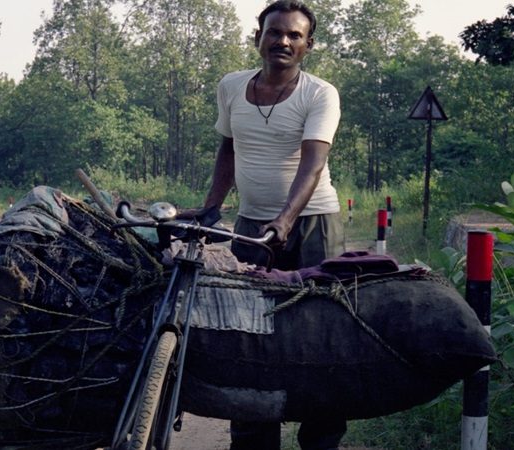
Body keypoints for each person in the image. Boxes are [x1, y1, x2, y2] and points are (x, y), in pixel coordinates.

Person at [200, 1, 346, 449]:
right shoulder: (231, 86)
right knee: (246, 337)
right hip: (250, 226)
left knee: (321, 333)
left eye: (294, 36)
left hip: (313, 225)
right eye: (274, 32)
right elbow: (229, 150)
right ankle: (253, 436)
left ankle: (320, 437)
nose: (283, 41)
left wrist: (285, 220)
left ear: (308, 46)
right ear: (258, 37)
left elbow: (313, 163)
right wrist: (211, 208)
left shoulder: (320, 93)